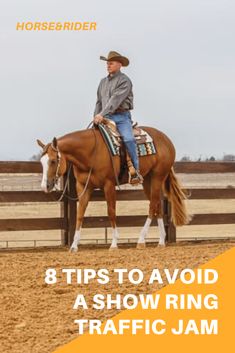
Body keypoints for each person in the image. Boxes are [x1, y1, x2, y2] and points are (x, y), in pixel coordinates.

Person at [93, 50, 143, 184]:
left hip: (121, 118)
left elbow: (114, 101)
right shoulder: (102, 82)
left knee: (128, 139)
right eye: (107, 63)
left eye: (111, 63)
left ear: (119, 65)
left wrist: (101, 114)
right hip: (104, 117)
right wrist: (96, 117)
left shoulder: (124, 81)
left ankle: (135, 172)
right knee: (93, 139)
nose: (108, 65)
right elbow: (99, 102)